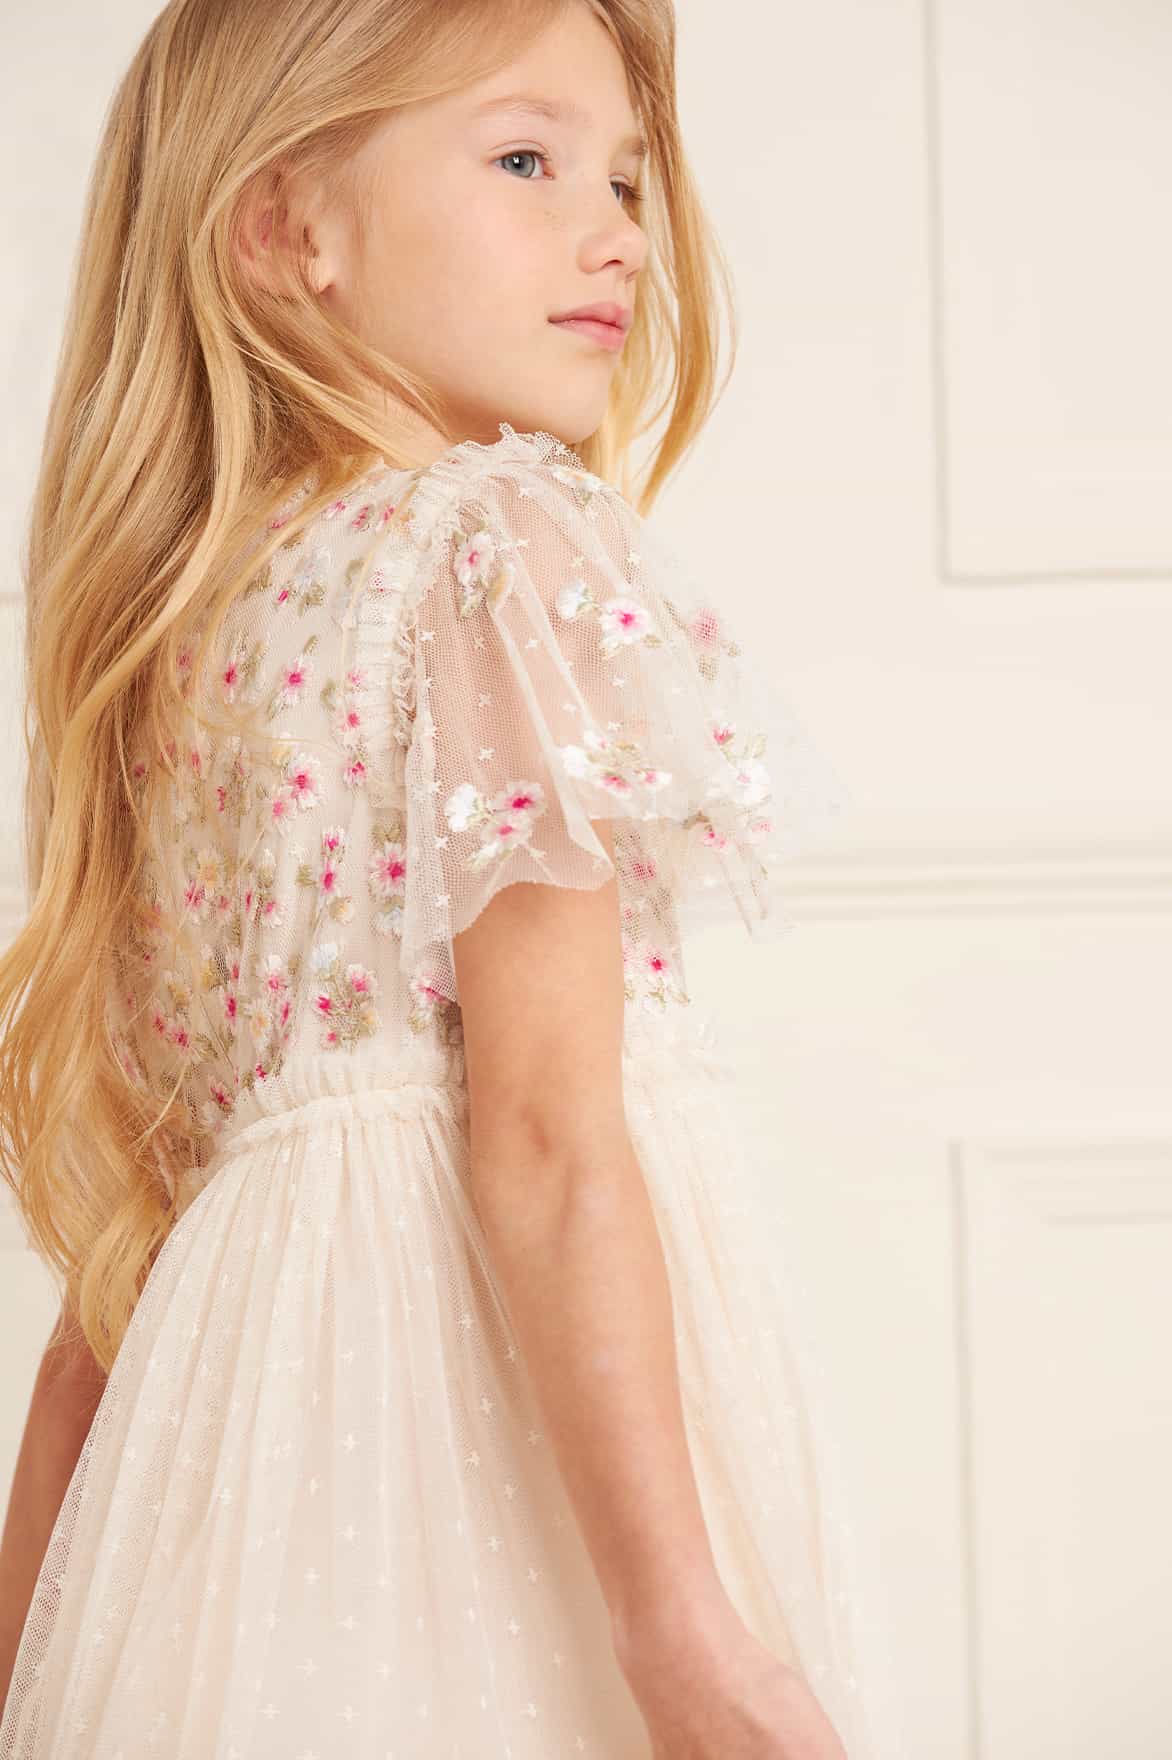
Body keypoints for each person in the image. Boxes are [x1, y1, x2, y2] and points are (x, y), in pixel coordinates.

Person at [0, 0, 888, 1754]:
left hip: (234, 1513)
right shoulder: (494, 548)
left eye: (623, 178)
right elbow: (548, 1143)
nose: (618, 233)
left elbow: (120, 1285)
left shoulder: (181, 649)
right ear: (285, 228)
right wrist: (684, 1632)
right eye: (527, 159)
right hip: (489, 1489)